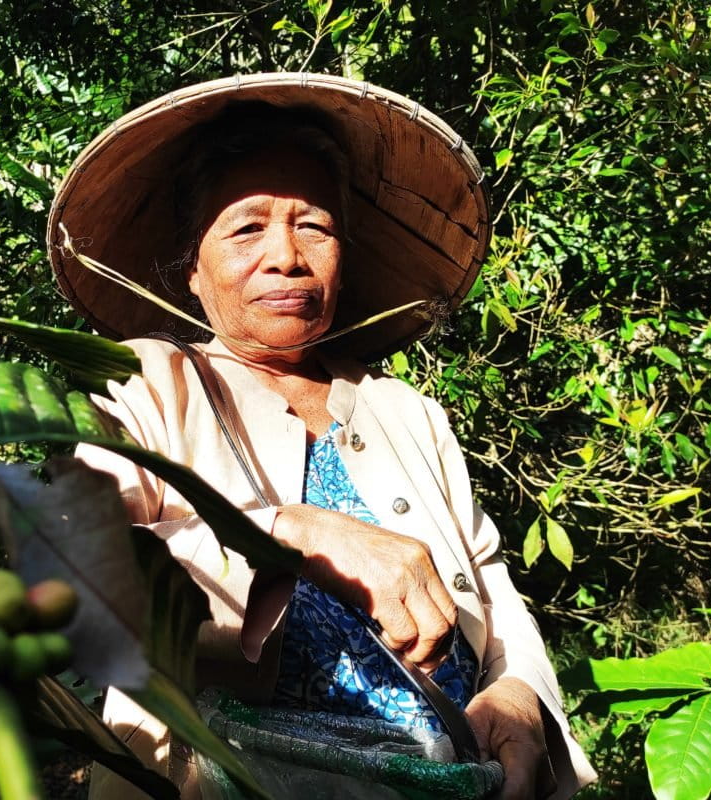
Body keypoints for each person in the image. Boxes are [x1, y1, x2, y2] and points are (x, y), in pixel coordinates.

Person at [47, 74, 596, 799]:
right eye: (247, 228)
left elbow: (492, 586)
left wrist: (518, 694)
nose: (287, 256)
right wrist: (289, 537)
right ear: (192, 272)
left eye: (315, 226)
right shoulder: (146, 385)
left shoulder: (404, 410)